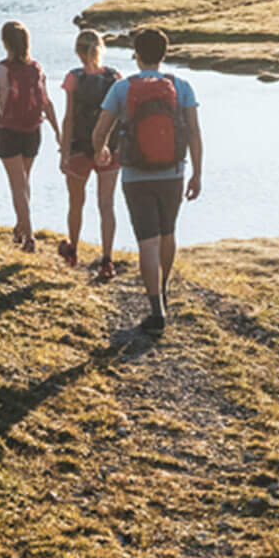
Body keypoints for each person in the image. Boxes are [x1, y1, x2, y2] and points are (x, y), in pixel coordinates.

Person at [93, 26, 202, 336]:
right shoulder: (182, 87)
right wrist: (197, 172)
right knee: (168, 233)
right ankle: (163, 289)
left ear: (137, 56)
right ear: (164, 54)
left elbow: (100, 130)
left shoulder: (121, 89)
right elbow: (194, 132)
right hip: (173, 173)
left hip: (135, 175)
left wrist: (100, 151)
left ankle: (156, 310)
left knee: (147, 240)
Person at [0, 20, 59, 252]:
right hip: (33, 131)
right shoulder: (37, 68)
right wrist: (58, 131)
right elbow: (46, 102)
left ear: (5, 43)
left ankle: (29, 238)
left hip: (8, 132)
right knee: (25, 183)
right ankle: (20, 227)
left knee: (18, 187)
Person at [59, 29, 121, 280]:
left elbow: (69, 118)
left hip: (80, 148)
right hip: (110, 148)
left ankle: (73, 251)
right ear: (101, 48)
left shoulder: (73, 78)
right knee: (107, 206)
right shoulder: (114, 77)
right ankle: (107, 260)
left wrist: (64, 152)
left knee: (76, 203)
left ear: (77, 51)